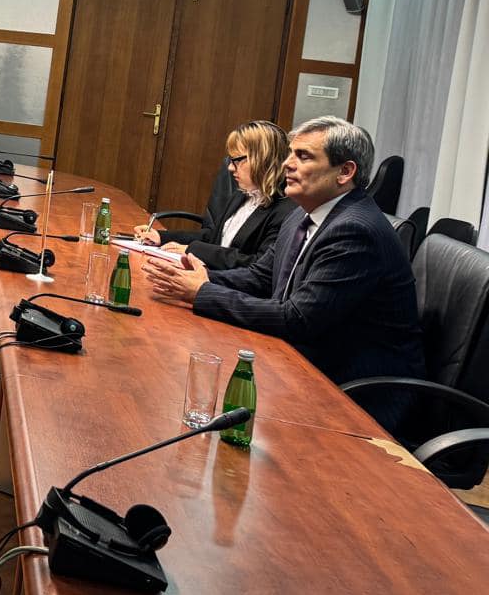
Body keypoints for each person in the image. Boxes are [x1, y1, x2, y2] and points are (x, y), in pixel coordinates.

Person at [144, 116, 425, 433]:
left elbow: (298, 319)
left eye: (303, 156)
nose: (287, 164)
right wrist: (199, 277)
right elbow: (260, 278)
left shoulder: (355, 231)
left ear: (345, 172)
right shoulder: (301, 216)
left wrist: (202, 293)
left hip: (358, 395)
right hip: (302, 364)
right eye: (290, 154)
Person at [134, 120, 294, 271]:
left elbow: (256, 265)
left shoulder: (286, 210)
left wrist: (194, 250)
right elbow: (213, 237)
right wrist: (162, 237)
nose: (230, 168)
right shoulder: (243, 194)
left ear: (263, 159)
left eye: (237, 160)